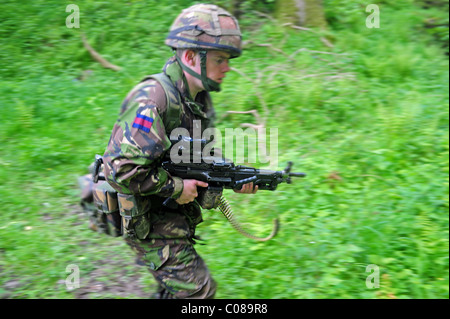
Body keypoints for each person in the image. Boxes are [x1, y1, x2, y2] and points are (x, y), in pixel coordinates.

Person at [101, 4, 257, 299]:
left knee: (174, 291)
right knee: (198, 292)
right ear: (189, 56)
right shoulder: (152, 100)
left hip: (170, 212)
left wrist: (233, 179)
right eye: (220, 59)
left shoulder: (198, 97)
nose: (228, 67)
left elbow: (196, 157)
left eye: (228, 60)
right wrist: (176, 187)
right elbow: (120, 170)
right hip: (147, 217)